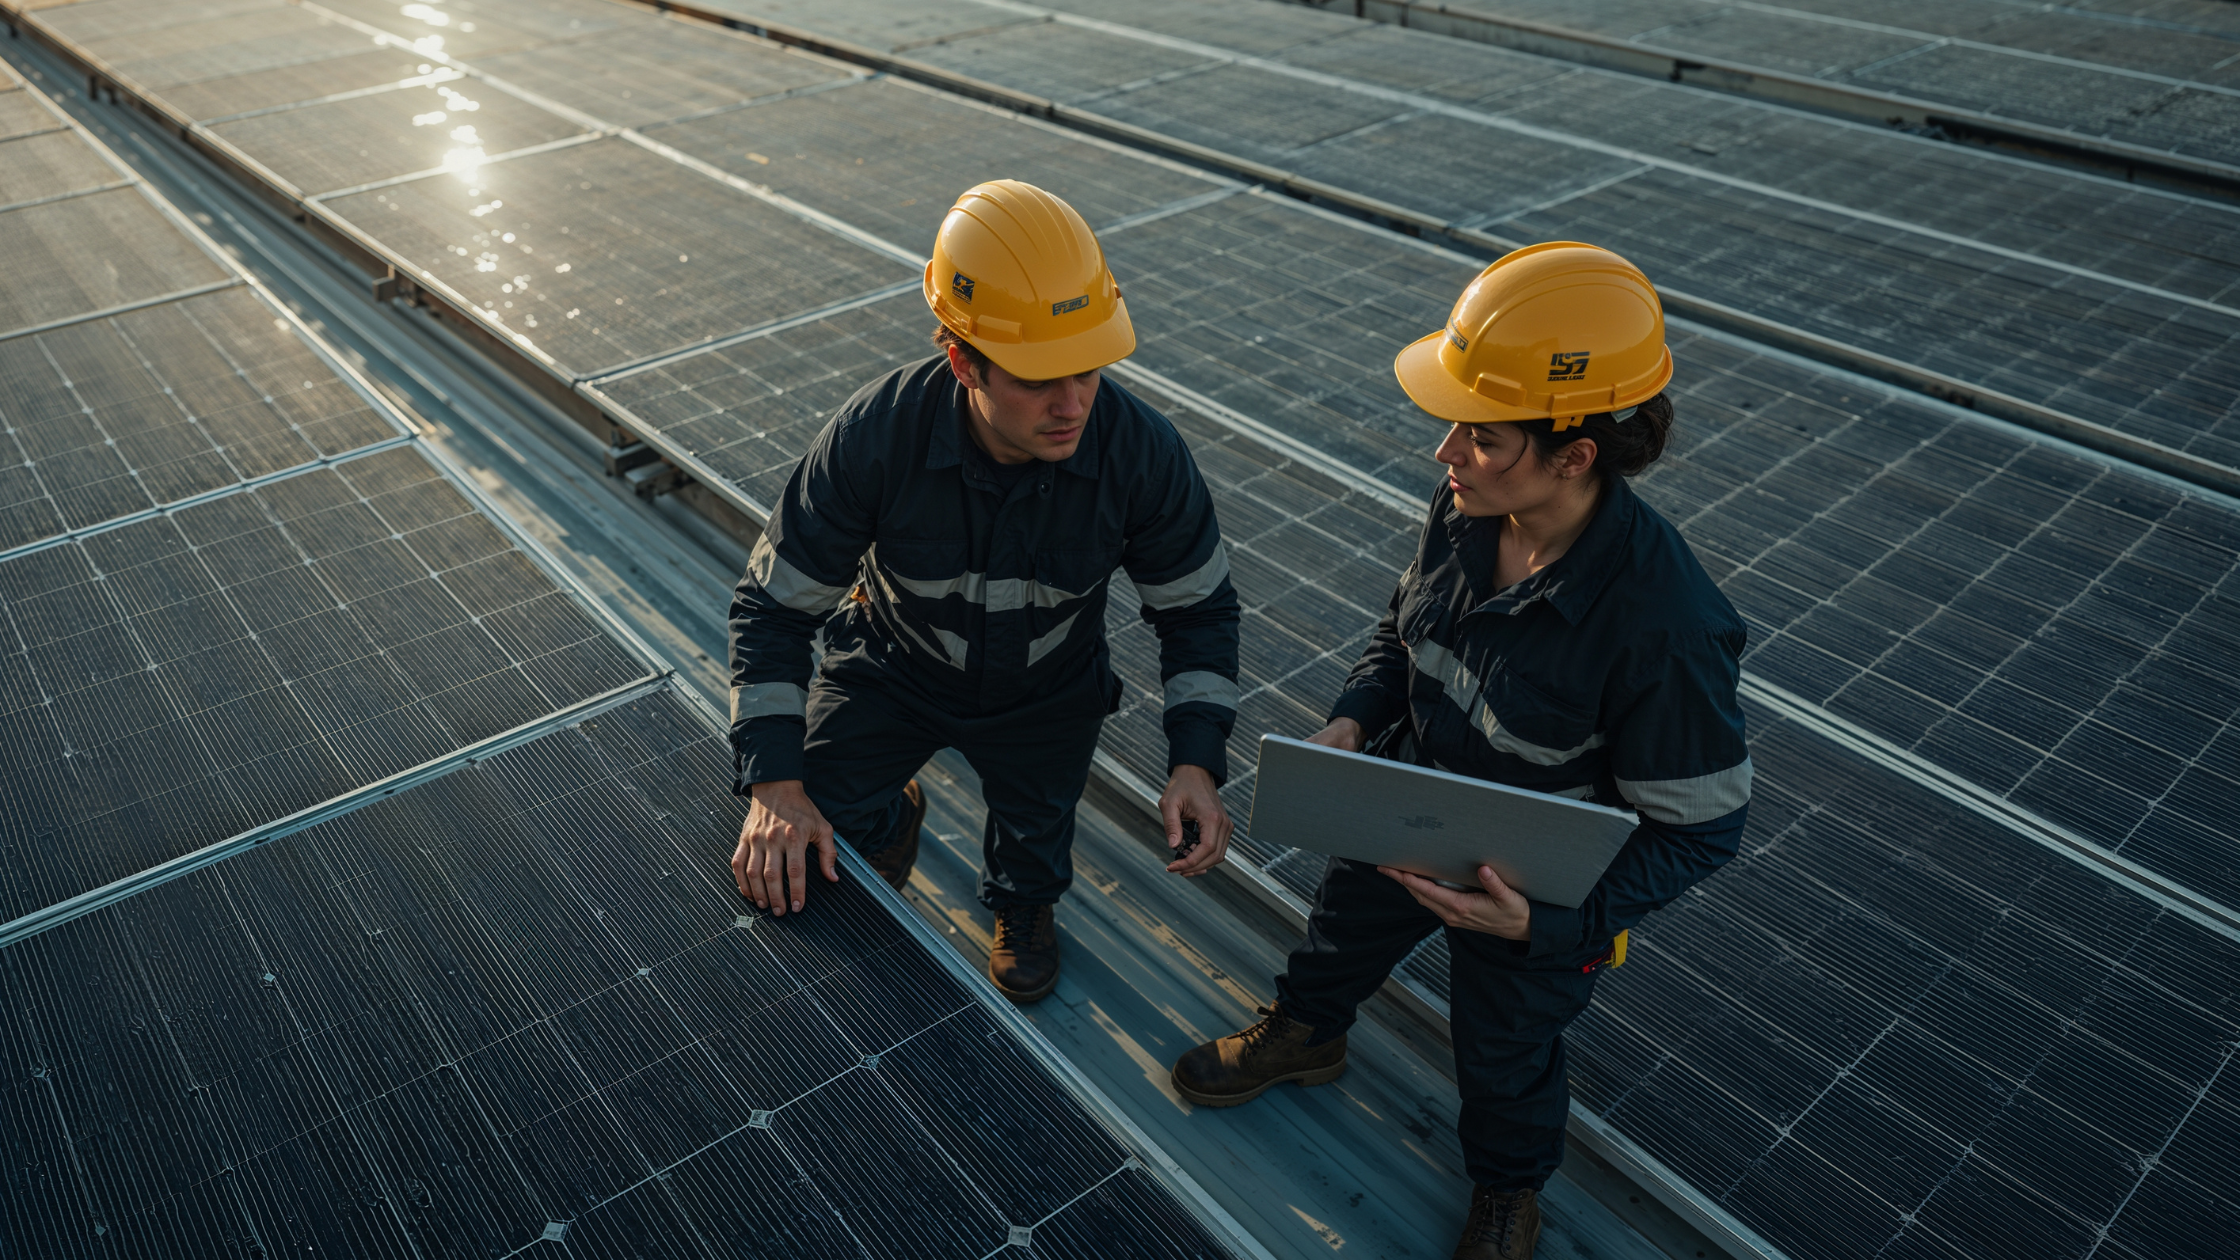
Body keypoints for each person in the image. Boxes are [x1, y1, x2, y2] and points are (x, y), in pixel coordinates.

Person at [1169, 243, 1752, 1259]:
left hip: (1523, 886)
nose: (1446, 452)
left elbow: (1700, 834)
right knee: (1336, 935)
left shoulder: (1664, 627)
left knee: (1504, 1050)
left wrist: (1551, 918)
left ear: (1572, 455)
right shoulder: (1465, 510)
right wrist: (1354, 719)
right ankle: (1306, 1035)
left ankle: (1505, 1190)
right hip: (1404, 803)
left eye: (1480, 437)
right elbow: (1400, 636)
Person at [726, 179, 1242, 1003]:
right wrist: (775, 786)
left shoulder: (1140, 453)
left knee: (1036, 841)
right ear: (962, 358)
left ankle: (1024, 905)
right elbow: (774, 608)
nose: (1072, 405)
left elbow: (1198, 610)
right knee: (807, 839)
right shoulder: (875, 438)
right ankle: (891, 816)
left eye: (1088, 371)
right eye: (1038, 379)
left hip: (1048, 691)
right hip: (894, 670)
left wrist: (1196, 760)